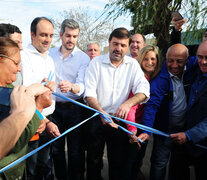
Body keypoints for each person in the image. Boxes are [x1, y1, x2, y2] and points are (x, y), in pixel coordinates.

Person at [84, 27, 150, 180]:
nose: (118, 49)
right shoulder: (95, 63)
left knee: (117, 162)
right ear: (109, 43)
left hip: (120, 121)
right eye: (115, 44)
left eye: (123, 45)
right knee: (93, 160)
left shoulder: (133, 66)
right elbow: (89, 94)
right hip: (97, 116)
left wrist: (127, 104)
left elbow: (144, 90)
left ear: (127, 47)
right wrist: (101, 112)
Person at [139, 43, 197, 180]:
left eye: (179, 61)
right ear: (166, 58)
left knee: (179, 163)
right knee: (159, 162)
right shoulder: (159, 80)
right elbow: (151, 107)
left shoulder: (193, 66)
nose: (175, 65)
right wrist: (146, 131)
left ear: (187, 60)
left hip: (185, 128)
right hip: (164, 129)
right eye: (170, 61)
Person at [0, 36, 50, 179]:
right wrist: (38, 108)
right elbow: (13, 141)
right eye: (16, 63)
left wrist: (39, 119)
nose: (19, 68)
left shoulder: (10, 89)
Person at [49, 19, 90, 180]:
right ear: (61, 35)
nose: (71, 40)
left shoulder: (83, 58)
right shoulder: (50, 54)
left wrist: (72, 86)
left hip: (75, 107)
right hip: (54, 107)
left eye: (74, 36)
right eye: (68, 35)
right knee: (56, 149)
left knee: (75, 151)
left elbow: (83, 86)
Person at [21, 17, 58, 180]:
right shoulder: (24, 57)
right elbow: (28, 92)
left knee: (45, 164)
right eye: (43, 35)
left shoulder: (49, 58)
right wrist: (42, 120)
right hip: (32, 121)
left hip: (47, 119)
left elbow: (48, 89)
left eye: (50, 35)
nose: (48, 39)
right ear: (32, 35)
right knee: (32, 168)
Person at [170, 41, 207, 180]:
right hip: (185, 140)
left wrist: (189, 135)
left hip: (202, 144)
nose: (203, 62)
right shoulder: (195, 71)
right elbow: (177, 54)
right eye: (200, 57)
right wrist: (176, 31)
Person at [125, 45, 160, 180]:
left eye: (153, 59)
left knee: (138, 160)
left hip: (146, 126)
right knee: (130, 162)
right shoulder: (139, 78)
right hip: (135, 125)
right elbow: (131, 107)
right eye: (145, 59)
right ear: (140, 60)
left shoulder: (157, 78)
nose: (150, 62)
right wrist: (132, 130)